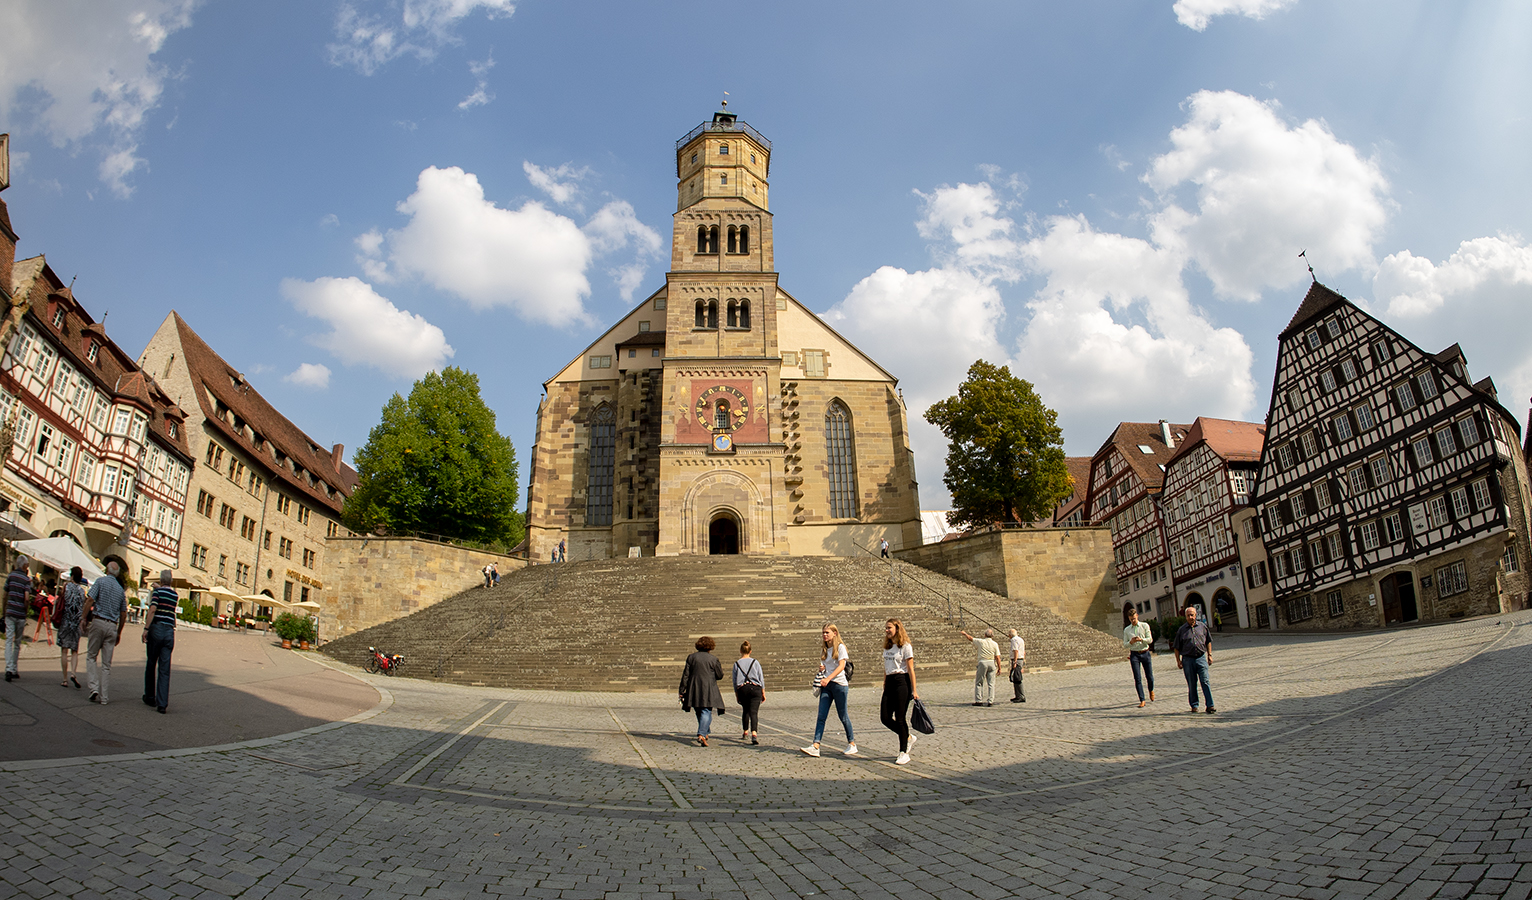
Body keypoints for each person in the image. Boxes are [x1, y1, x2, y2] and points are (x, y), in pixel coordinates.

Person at [801, 623, 857, 757]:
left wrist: (828, 677)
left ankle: (852, 743)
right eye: (823, 633)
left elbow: (841, 666)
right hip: (827, 686)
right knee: (821, 716)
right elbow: (827, 666)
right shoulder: (825, 649)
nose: (825, 635)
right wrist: (823, 670)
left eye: (827, 632)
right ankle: (816, 745)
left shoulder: (840, 647)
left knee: (843, 715)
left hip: (839, 685)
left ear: (834, 633)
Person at [82, 561, 128, 705]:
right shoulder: (120, 590)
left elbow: (90, 599)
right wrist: (119, 631)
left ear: (107, 570)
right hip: (112, 626)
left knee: (91, 656)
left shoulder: (100, 582)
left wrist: (83, 618)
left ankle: (94, 688)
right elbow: (124, 614)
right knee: (106, 664)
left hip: (99, 621)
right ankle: (105, 697)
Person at [880, 619, 918, 765]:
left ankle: (903, 752)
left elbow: (910, 669)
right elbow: (885, 667)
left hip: (902, 682)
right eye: (886, 628)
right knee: (885, 717)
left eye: (889, 628)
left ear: (897, 628)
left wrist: (914, 690)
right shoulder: (887, 647)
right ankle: (907, 736)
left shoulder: (905, 646)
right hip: (889, 682)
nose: (887, 630)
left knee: (900, 717)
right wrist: (884, 682)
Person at [141, 570, 178, 713]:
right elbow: (166, 597)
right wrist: (159, 588)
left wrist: (146, 628)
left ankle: (150, 696)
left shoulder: (157, 593)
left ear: (161, 580)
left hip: (157, 629)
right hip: (169, 631)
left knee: (151, 663)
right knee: (165, 668)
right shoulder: (175, 595)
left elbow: (152, 610)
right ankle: (162, 703)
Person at [678, 636, 725, 746]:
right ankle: (702, 734)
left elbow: (686, 675)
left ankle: (705, 731)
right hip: (708, 688)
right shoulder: (713, 659)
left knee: (699, 710)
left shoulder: (691, 657)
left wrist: (681, 689)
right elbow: (720, 675)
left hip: (694, 687)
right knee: (706, 710)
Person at [1173, 605, 1215, 714]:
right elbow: (1176, 647)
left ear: (1196, 615)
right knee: (1192, 683)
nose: (1190, 617)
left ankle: (1210, 705)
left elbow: (1208, 641)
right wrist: (1178, 661)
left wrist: (1209, 655)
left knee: (1205, 681)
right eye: (1188, 615)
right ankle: (1194, 705)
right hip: (1188, 660)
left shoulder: (1202, 627)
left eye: (1192, 615)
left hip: (1201, 658)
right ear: (1185, 617)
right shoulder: (1182, 630)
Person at [56, 568, 87, 688]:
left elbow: (62, 601)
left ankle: (64, 679)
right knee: (75, 650)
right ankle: (73, 673)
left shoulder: (66, 587)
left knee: (64, 650)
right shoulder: (82, 591)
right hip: (76, 622)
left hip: (66, 621)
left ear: (72, 576)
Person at [4, 558, 32, 682]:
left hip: (10, 612)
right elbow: (26, 598)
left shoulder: (11, 576)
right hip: (20, 614)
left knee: (9, 640)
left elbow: (5, 594)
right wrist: (25, 611)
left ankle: (8, 668)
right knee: (17, 642)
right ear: (25, 566)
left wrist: (4, 609)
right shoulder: (26, 580)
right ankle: (14, 669)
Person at [1122, 603, 1155, 708]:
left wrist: (1142, 639)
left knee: (1149, 676)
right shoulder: (1127, 630)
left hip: (1145, 652)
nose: (1133, 621)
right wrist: (1131, 642)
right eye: (1131, 619)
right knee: (1137, 678)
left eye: (1134, 619)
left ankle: (1151, 690)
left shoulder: (1144, 626)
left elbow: (1150, 640)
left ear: (1137, 617)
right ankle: (1142, 699)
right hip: (1134, 654)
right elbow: (1124, 644)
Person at [732, 641, 765, 744]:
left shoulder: (737, 664)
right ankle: (754, 733)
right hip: (755, 688)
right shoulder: (755, 662)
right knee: (754, 712)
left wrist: (737, 693)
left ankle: (745, 731)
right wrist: (763, 692)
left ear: (740, 651)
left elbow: (734, 681)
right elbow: (761, 678)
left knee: (745, 710)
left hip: (743, 689)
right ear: (750, 651)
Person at [960, 628, 1002, 706]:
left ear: (985, 635)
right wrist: (999, 667)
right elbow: (997, 657)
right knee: (991, 683)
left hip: (983, 662)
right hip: (991, 662)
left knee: (979, 682)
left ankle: (979, 700)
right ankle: (990, 700)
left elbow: (971, 638)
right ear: (992, 636)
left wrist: (965, 634)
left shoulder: (981, 642)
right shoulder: (995, 644)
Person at [1008, 628, 1026, 703]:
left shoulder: (1014, 640)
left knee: (1017, 678)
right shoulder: (1021, 639)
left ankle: (1021, 696)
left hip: (1017, 660)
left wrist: (1015, 662)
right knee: (1016, 678)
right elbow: (1023, 652)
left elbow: (1016, 651)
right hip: (1020, 659)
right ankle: (1018, 695)